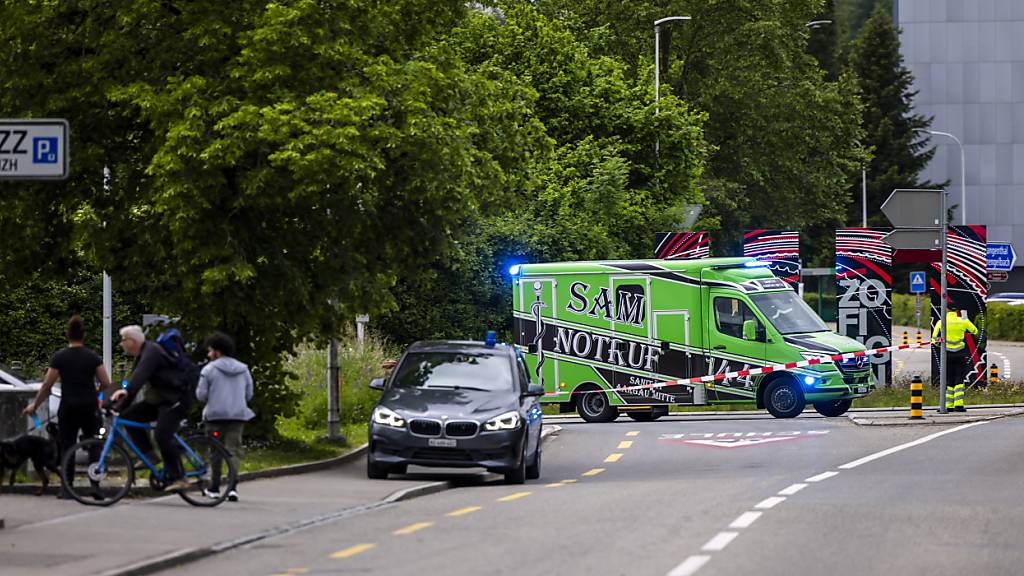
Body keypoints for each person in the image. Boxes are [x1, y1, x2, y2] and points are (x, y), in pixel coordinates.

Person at [24, 315, 114, 498]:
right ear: (84, 335)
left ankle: (67, 487)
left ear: (67, 335)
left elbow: (47, 385)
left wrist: (35, 405)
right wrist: (95, 391)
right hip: (89, 406)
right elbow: (106, 382)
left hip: (68, 407)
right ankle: (95, 485)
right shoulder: (92, 357)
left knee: (67, 446)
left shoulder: (60, 357)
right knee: (94, 445)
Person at [110, 325, 192, 492]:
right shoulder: (142, 354)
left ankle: (179, 477)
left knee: (162, 435)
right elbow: (131, 384)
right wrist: (118, 405)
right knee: (129, 417)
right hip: (160, 400)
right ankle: (149, 454)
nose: (121, 344)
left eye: (123, 341)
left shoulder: (151, 352)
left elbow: (137, 382)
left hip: (175, 400)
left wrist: (120, 404)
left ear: (132, 341)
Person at [195, 331, 254, 502]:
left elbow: (201, 394)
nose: (208, 354)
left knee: (215, 452)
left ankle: (214, 488)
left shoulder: (209, 370)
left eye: (210, 350)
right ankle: (232, 487)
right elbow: (249, 394)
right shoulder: (243, 369)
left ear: (217, 351)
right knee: (233, 450)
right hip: (237, 416)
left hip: (215, 417)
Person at [932, 302, 979, 412]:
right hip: (960, 353)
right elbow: (975, 331)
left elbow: (934, 340)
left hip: (946, 354)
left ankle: (948, 406)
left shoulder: (941, 322)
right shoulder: (962, 321)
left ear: (946, 310)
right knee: (959, 378)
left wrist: (940, 342)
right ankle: (959, 405)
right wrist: (966, 319)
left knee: (948, 379)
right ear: (956, 310)